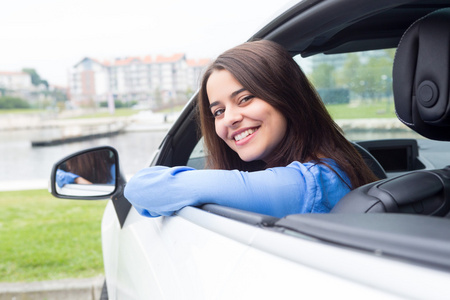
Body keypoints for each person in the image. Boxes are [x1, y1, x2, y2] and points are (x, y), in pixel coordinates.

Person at [124, 40, 378, 218]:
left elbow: (140, 186)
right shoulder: (335, 164)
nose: (230, 119)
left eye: (245, 98)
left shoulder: (308, 184)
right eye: (218, 111)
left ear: (286, 96)